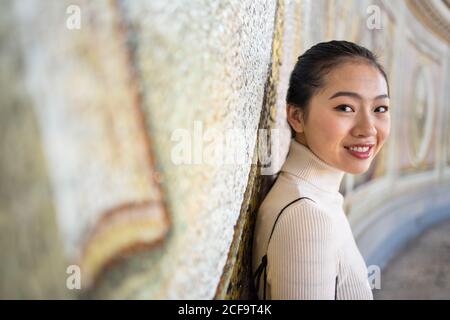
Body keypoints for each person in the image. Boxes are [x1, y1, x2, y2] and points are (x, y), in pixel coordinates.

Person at [252, 40, 391, 299]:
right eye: (345, 107)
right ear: (297, 117)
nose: (369, 128)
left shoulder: (316, 198)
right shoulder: (307, 216)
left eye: (379, 108)